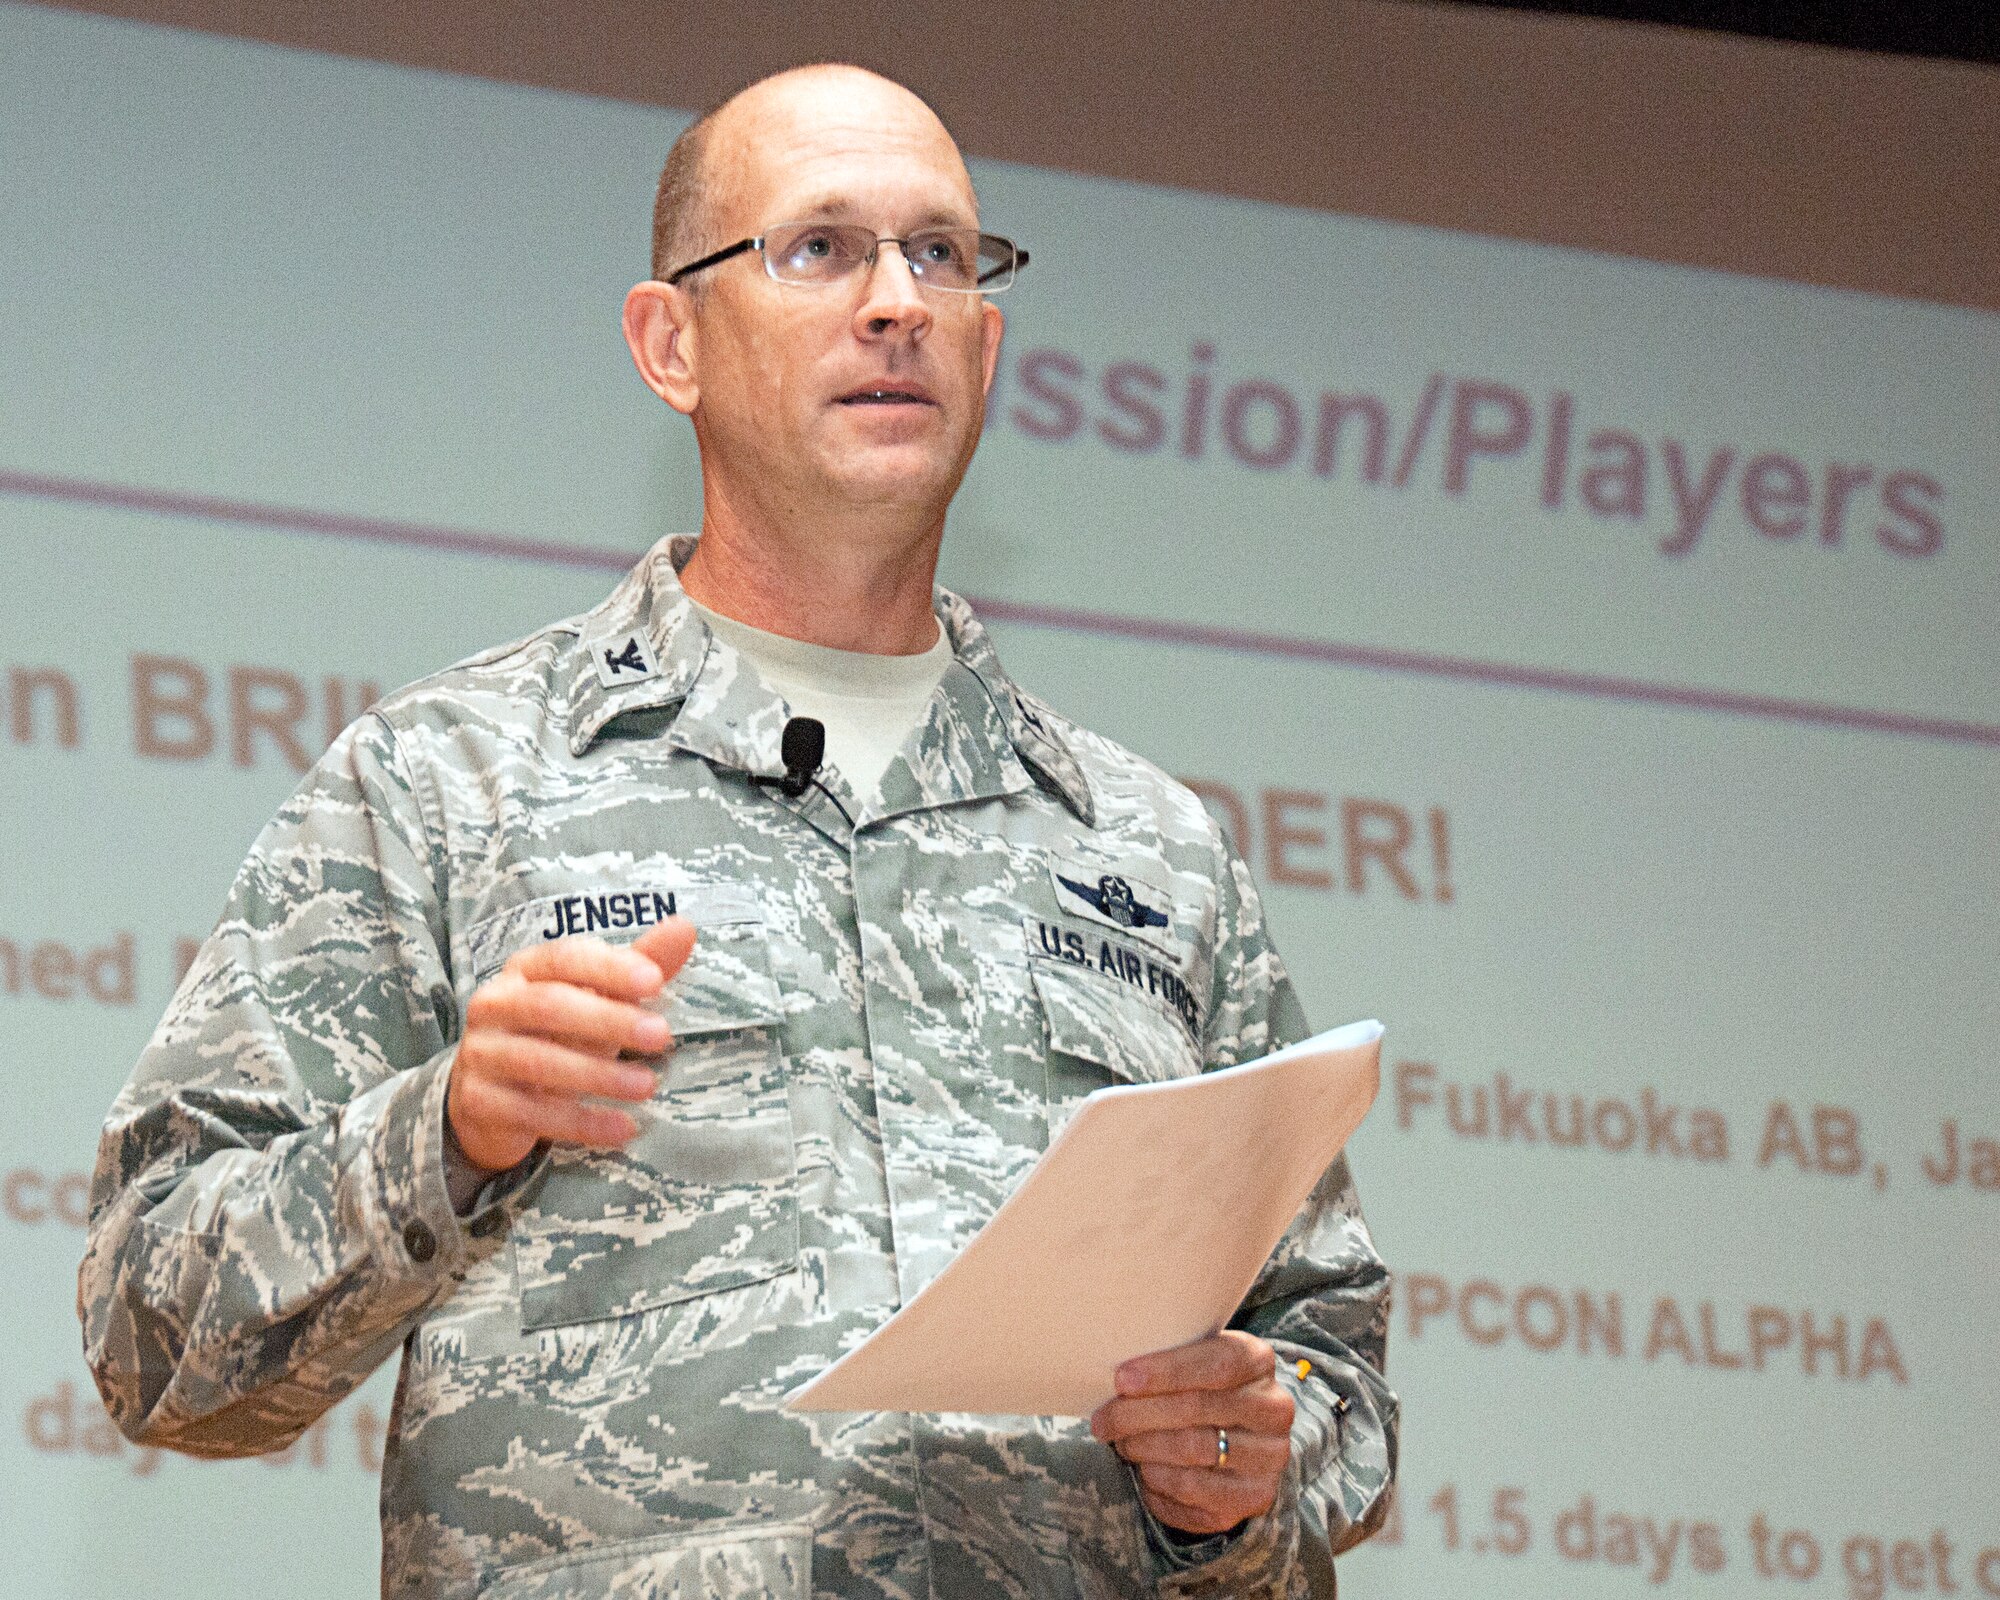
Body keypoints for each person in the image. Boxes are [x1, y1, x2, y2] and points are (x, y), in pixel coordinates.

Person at [80, 63, 1397, 1599]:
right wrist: (449, 1129)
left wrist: (1241, 1473)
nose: (897, 300)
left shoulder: (1156, 854)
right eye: (820, 248)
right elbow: (150, 1329)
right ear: (671, 342)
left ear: (989, 338)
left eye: (942, 255)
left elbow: (1329, 1372)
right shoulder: (449, 779)